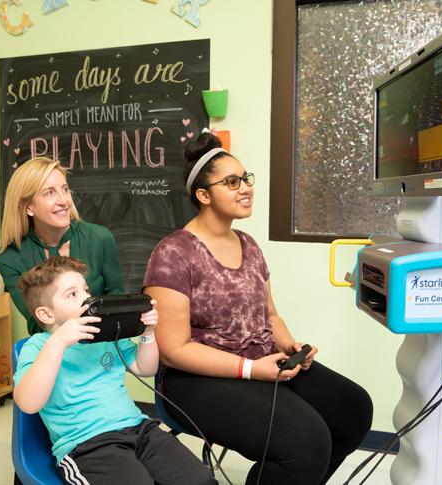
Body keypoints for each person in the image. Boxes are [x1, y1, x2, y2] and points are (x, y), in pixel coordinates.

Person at [143, 132, 374, 485]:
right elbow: (174, 351)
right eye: (232, 182)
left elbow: (271, 316)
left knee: (354, 410)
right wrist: (250, 369)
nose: (246, 187)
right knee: (305, 440)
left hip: (261, 362)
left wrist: (291, 347)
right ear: (203, 196)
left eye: (246, 178)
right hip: (194, 380)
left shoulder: (248, 245)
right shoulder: (173, 253)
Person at [14, 256, 217, 485]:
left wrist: (147, 332)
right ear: (46, 314)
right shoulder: (39, 347)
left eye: (85, 290)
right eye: (72, 294)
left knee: (201, 480)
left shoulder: (106, 335)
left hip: (140, 429)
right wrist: (58, 342)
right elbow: (29, 403)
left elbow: (145, 368)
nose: (86, 298)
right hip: (88, 445)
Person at [0, 157, 124, 335]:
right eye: (49, 193)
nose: (64, 200)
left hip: (101, 347)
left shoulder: (100, 238)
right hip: (50, 350)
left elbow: (118, 307)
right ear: (27, 207)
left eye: (65, 189)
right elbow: (37, 323)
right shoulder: (9, 258)